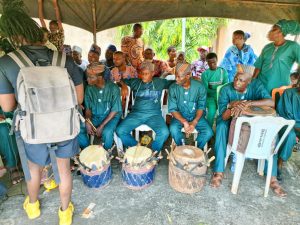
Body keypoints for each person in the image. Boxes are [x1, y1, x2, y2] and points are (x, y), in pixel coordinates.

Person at [0, 2, 84, 224]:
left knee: (33, 168)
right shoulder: (64, 59)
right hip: (64, 126)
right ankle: (65, 213)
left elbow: (7, 107)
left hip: (33, 128)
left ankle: (33, 206)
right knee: (63, 169)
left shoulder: (7, 62)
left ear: (14, 36)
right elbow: (79, 98)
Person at [210, 69, 286, 196]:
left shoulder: (256, 85)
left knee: (273, 133)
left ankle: (272, 179)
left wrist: (247, 103)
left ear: (249, 82)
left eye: (241, 80)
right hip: (229, 118)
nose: (236, 82)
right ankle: (218, 171)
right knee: (221, 128)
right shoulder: (226, 89)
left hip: (250, 119)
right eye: (235, 78)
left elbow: (271, 102)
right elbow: (223, 116)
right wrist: (231, 106)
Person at [116, 62, 172, 152]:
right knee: (120, 130)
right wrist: (123, 86)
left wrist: (191, 79)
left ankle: (153, 151)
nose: (143, 76)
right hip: (136, 114)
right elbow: (121, 81)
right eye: (142, 73)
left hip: (154, 115)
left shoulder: (159, 82)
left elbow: (175, 82)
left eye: (146, 74)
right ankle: (137, 148)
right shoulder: (135, 82)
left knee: (164, 132)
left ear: (152, 73)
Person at [168, 63, 213, 149]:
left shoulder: (200, 87)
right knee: (173, 129)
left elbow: (201, 107)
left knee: (208, 132)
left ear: (188, 75)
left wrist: (194, 122)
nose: (176, 79)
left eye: (179, 76)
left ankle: (195, 149)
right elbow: (173, 109)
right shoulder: (173, 88)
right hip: (179, 116)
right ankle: (182, 148)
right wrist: (184, 122)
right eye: (175, 76)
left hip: (196, 116)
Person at [78, 63, 122, 150]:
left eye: (91, 77)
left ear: (100, 77)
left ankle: (105, 155)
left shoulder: (113, 88)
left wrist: (101, 126)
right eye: (88, 76)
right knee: (79, 128)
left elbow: (115, 110)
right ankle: (88, 151)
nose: (87, 79)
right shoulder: (89, 89)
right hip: (95, 117)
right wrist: (88, 121)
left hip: (111, 118)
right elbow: (88, 109)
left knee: (107, 132)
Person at [253, 20, 300, 93]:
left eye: (274, 29)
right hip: (261, 84)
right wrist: (253, 81)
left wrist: (297, 81)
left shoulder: (293, 46)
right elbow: (259, 66)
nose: (270, 32)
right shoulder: (267, 47)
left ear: (281, 32)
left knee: (276, 103)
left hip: (279, 87)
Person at [276, 78, 300, 179]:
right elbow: (286, 116)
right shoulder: (289, 93)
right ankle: (279, 163)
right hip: (286, 123)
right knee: (290, 135)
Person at [201, 52, 229, 127]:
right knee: (212, 112)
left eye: (214, 62)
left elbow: (226, 86)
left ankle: (219, 130)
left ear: (217, 60)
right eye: (209, 63)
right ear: (207, 62)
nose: (212, 64)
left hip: (222, 97)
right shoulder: (205, 74)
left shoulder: (223, 72)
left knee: (223, 112)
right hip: (210, 98)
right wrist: (218, 89)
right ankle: (208, 132)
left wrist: (212, 88)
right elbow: (206, 89)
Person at [0, 107, 22, 185]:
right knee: (3, 129)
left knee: (5, 128)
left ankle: (17, 164)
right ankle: (12, 167)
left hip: (10, 110)